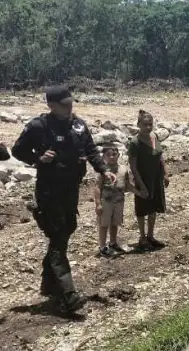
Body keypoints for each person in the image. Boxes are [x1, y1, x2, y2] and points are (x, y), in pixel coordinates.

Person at [11, 86, 117, 313]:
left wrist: (103, 170)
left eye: (71, 102)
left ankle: (48, 284)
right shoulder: (39, 126)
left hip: (71, 190)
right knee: (58, 236)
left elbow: (91, 150)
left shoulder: (78, 125)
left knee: (67, 229)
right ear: (51, 105)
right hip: (49, 191)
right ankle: (68, 295)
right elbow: (17, 150)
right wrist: (38, 158)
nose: (70, 107)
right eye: (64, 104)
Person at [127, 110, 169, 251]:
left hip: (156, 177)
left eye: (150, 124)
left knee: (153, 207)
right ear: (138, 124)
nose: (148, 127)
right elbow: (133, 165)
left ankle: (151, 235)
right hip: (143, 178)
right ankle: (142, 237)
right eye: (145, 124)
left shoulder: (154, 136)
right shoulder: (135, 142)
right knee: (142, 208)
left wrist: (165, 174)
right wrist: (141, 185)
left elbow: (160, 156)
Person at [94, 144, 142, 257]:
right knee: (103, 224)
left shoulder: (123, 169)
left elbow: (128, 185)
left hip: (119, 201)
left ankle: (113, 242)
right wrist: (98, 204)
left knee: (115, 223)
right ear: (104, 156)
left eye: (114, 154)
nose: (111, 157)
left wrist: (139, 193)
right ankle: (102, 247)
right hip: (106, 201)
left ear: (118, 155)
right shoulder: (102, 171)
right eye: (108, 155)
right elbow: (97, 187)